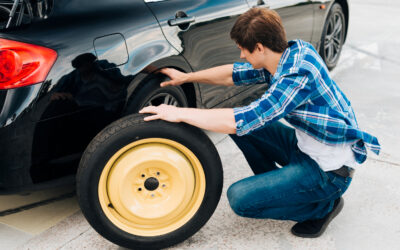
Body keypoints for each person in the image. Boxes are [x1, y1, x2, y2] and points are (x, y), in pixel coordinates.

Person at [139, 7, 380, 238]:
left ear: (260, 47)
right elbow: (233, 73)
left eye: (244, 49)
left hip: (329, 173)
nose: (242, 55)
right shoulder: (290, 53)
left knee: (240, 199)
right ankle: (284, 188)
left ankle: (321, 208)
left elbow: (243, 119)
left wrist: (179, 113)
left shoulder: (295, 78)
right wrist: (187, 77)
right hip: (304, 148)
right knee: (237, 122)